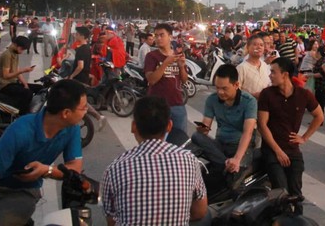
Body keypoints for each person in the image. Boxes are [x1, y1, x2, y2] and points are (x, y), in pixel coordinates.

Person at [0, 80, 87, 225]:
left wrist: (47, 170)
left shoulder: (72, 129)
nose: (86, 111)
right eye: (83, 108)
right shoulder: (20, 130)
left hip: (24, 192)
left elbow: (74, 168)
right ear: (66, 113)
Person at [101, 96, 207, 225]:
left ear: (134, 126)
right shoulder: (189, 160)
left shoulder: (115, 169)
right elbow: (200, 211)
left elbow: (111, 221)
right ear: (169, 126)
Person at [257, 57, 324, 215]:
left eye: (273, 72)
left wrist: (304, 137)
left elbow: (319, 116)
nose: (270, 75)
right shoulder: (267, 94)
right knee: (281, 192)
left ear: (285, 74)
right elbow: (262, 125)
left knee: (296, 194)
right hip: (272, 151)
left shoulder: (304, 94)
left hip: (293, 151)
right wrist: (278, 151)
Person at [191, 64, 257, 177]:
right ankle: (225, 163)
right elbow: (205, 129)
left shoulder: (249, 101)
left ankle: (227, 164)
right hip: (220, 143)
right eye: (217, 88)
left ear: (236, 85)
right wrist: (201, 128)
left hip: (240, 145)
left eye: (224, 88)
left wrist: (237, 159)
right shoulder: (212, 100)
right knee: (196, 136)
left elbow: (248, 133)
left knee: (232, 179)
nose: (220, 92)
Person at [144, 23, 189, 134]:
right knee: (156, 140)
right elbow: (151, 80)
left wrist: (181, 66)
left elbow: (184, 80)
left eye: (162, 35)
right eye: (156, 35)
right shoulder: (151, 56)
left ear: (170, 36)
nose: (158, 38)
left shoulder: (177, 55)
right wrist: (165, 63)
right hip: (156, 106)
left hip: (176, 104)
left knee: (179, 140)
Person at [0, 36, 37, 114]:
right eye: (21, 49)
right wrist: (23, 70)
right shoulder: (7, 55)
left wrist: (25, 84)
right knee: (28, 93)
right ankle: (21, 116)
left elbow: (17, 71)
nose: (21, 52)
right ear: (15, 44)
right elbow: (6, 75)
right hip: (5, 85)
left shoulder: (15, 53)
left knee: (39, 88)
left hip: (13, 82)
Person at [236, 34, 271, 99]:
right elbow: (236, 91)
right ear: (248, 47)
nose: (259, 47)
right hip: (248, 106)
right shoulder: (241, 68)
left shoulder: (265, 66)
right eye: (255, 45)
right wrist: (252, 95)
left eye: (261, 45)